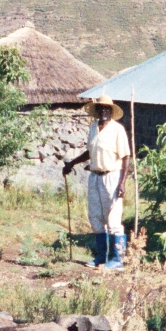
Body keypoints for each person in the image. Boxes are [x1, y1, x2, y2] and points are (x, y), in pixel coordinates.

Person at [62, 94, 132, 270]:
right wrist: (71, 163)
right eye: (100, 109)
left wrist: (122, 183)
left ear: (111, 111)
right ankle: (101, 256)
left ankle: (117, 259)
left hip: (113, 176)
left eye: (107, 109)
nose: (104, 112)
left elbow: (126, 158)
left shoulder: (117, 130)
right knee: (95, 216)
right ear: (97, 111)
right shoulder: (93, 127)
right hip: (95, 176)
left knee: (113, 217)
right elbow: (90, 153)